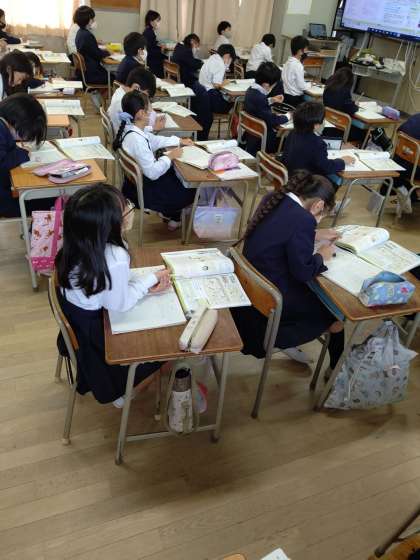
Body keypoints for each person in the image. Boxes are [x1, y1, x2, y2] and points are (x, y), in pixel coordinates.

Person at [55, 184, 170, 408]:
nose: (128, 210)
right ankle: (122, 390)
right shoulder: (115, 255)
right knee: (169, 351)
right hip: (97, 337)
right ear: (108, 225)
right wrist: (150, 279)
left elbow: (110, 288)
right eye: (124, 209)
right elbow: (120, 304)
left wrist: (143, 285)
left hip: (80, 321)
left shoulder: (79, 241)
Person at [231, 170, 344, 369]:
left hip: (253, 292)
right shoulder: (303, 220)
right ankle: (338, 370)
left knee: (317, 299)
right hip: (273, 302)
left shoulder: (273, 198)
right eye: (322, 215)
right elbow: (303, 272)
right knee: (335, 314)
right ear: (318, 205)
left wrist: (314, 234)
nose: (319, 219)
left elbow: (278, 231)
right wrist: (322, 255)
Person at [113, 90, 195, 230]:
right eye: (149, 108)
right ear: (141, 113)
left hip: (134, 185)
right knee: (189, 187)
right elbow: (152, 173)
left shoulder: (129, 128)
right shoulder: (137, 140)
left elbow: (154, 140)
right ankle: (171, 212)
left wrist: (178, 141)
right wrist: (169, 156)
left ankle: (171, 214)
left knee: (174, 172)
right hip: (145, 190)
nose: (151, 111)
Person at [280, 101, 355, 182]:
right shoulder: (318, 144)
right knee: (333, 181)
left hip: (290, 175)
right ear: (316, 125)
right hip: (305, 182)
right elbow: (327, 168)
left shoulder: (293, 132)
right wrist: (342, 161)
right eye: (323, 120)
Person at [0, 93, 47, 217]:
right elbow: (2, 164)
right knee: (48, 200)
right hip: (3, 202)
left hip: (5, 192)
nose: (24, 138)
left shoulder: (3, 127)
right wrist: (22, 154)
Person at [243, 62, 289, 155]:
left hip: (251, 135)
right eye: (274, 85)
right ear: (266, 85)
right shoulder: (260, 98)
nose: (274, 87)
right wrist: (288, 116)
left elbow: (257, 106)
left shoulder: (251, 90)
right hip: (262, 139)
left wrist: (271, 100)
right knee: (289, 141)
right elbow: (272, 120)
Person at [108, 66, 165, 134]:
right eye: (145, 96)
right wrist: (154, 127)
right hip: (126, 136)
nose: (145, 100)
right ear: (136, 88)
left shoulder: (122, 91)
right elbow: (132, 131)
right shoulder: (122, 102)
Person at [75, 6, 109, 87]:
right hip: (92, 75)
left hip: (85, 73)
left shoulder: (80, 32)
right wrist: (108, 52)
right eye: (93, 19)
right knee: (114, 77)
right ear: (89, 20)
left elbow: (93, 51)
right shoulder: (87, 35)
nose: (93, 21)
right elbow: (98, 54)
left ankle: (99, 94)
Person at [199, 43, 236, 114]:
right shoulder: (220, 64)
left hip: (203, 93)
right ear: (227, 55)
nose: (230, 62)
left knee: (227, 97)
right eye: (231, 59)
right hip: (211, 97)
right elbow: (216, 85)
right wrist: (226, 82)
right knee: (234, 101)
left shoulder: (213, 57)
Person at [282, 35, 310, 107]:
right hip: (295, 100)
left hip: (286, 97)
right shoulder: (298, 65)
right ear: (300, 51)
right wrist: (310, 85)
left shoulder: (288, 62)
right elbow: (302, 86)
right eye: (306, 49)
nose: (307, 51)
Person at [143, 10, 166, 78]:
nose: (159, 23)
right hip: (152, 62)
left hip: (150, 59)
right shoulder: (149, 33)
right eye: (157, 21)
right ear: (151, 22)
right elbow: (150, 50)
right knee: (167, 59)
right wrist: (161, 50)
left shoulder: (148, 31)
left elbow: (151, 44)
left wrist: (158, 45)